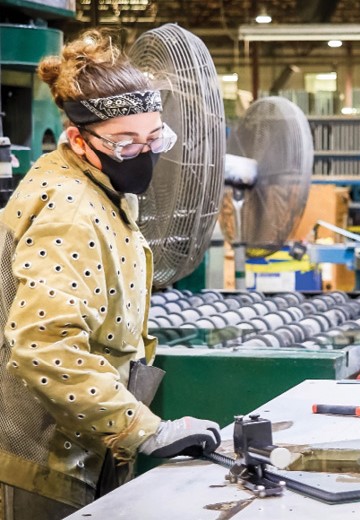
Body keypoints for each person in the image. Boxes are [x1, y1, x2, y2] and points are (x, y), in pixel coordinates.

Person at [0, 29, 220, 519]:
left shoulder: (94, 184)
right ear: (79, 139)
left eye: (154, 137)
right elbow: (45, 347)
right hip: (43, 461)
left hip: (78, 448)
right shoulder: (73, 211)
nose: (144, 154)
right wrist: (146, 430)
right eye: (124, 143)